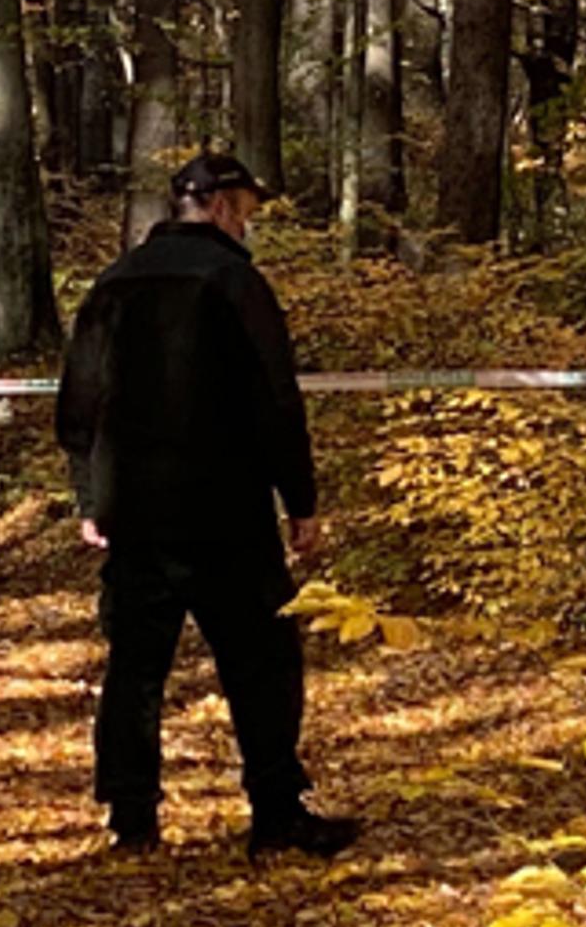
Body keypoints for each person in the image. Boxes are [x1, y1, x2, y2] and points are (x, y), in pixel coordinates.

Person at [55, 151, 359, 861]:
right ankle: (276, 814)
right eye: (245, 211)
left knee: (135, 669)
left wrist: (91, 497)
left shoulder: (115, 282)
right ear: (220, 206)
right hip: (227, 513)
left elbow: (78, 404)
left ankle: (131, 820)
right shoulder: (235, 282)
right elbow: (276, 400)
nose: (247, 224)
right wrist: (301, 501)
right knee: (263, 663)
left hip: (136, 513)